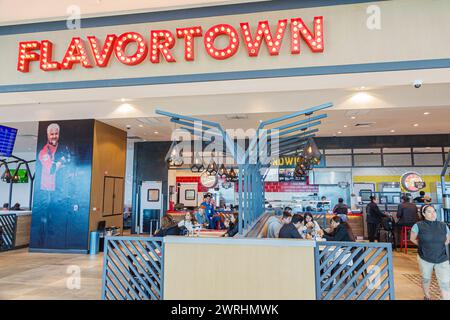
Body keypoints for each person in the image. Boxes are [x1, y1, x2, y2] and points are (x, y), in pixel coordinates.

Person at [410, 205, 450, 300]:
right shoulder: (418, 225)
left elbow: (447, 240)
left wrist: (437, 246)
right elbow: (412, 239)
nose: (433, 214)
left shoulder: (443, 225)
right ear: (423, 214)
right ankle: (427, 296)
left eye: (434, 211)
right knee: (426, 279)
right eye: (429, 212)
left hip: (442, 258)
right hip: (425, 257)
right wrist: (423, 246)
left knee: (445, 282)